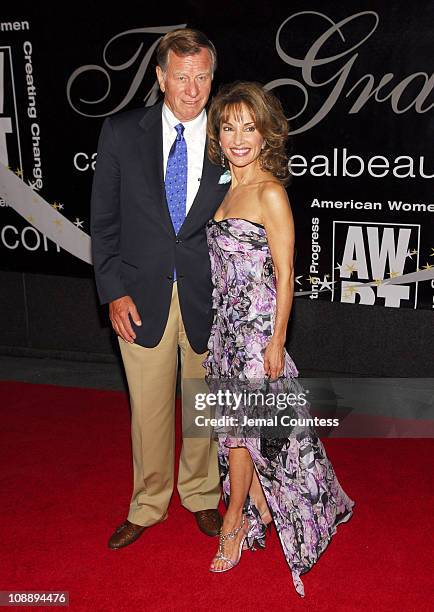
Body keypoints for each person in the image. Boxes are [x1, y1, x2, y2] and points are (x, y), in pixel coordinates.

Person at [203, 81, 355, 597]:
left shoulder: (270, 191)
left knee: (243, 435)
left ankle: (233, 525)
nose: (239, 137)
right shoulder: (226, 185)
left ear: (267, 133)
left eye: (249, 127)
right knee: (233, 431)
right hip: (225, 331)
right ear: (218, 135)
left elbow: (287, 274)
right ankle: (263, 506)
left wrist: (275, 343)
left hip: (256, 335)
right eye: (229, 127)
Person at [90, 29, 230, 549]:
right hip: (138, 295)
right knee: (147, 408)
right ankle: (148, 504)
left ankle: (199, 494)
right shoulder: (123, 132)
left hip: (207, 295)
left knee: (202, 404)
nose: (191, 89)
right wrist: (113, 291)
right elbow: (103, 222)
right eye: (180, 76)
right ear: (160, 77)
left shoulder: (228, 136)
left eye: (201, 77)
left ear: (212, 78)